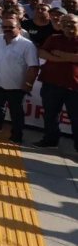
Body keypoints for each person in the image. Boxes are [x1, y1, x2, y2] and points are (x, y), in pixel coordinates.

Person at [0, 17, 39, 144]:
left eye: (11, 27)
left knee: (16, 112)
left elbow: (33, 66)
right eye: (4, 27)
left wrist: (28, 84)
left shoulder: (27, 45)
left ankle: (17, 135)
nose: (7, 30)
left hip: (16, 85)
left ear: (19, 28)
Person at [33, 13, 78, 150]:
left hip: (74, 87)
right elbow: (41, 53)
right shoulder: (53, 38)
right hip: (51, 83)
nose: (68, 26)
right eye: (65, 23)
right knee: (50, 114)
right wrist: (65, 58)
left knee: (76, 118)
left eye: (72, 23)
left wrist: (61, 54)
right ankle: (50, 140)